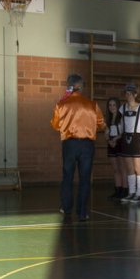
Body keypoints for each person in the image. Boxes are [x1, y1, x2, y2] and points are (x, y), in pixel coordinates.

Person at [50, 73, 105, 222]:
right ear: (80, 86)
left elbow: (55, 125)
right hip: (87, 145)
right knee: (85, 178)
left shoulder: (61, 104)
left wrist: (67, 125)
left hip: (69, 144)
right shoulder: (92, 104)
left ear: (69, 86)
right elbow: (101, 124)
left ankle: (66, 207)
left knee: (67, 176)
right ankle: (82, 212)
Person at [118, 84, 140, 204]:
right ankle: (131, 192)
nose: (128, 95)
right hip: (126, 137)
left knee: (138, 167)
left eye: (131, 93)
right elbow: (121, 124)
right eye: (127, 93)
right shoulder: (122, 108)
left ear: (135, 94)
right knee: (129, 168)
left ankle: (139, 194)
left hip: (138, 138)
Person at [104, 97, 126, 200]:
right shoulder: (108, 119)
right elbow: (106, 133)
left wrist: (115, 139)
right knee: (116, 169)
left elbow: (123, 132)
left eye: (114, 105)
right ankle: (117, 190)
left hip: (120, 143)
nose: (112, 107)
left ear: (117, 106)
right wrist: (109, 141)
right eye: (110, 105)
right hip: (111, 144)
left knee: (122, 168)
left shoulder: (121, 117)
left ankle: (124, 190)